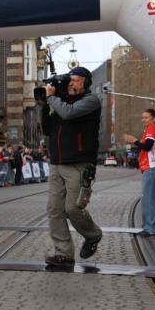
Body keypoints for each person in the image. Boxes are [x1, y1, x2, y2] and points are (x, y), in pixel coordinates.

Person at [38, 67, 103, 266]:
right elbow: (48, 128)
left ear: (86, 82)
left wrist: (52, 99)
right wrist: (43, 104)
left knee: (73, 209)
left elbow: (69, 114)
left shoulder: (90, 101)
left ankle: (93, 235)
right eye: (70, 80)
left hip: (79, 163)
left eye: (76, 80)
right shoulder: (61, 102)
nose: (72, 83)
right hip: (57, 163)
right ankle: (64, 253)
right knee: (55, 209)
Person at [124, 108, 155, 237]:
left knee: (150, 200)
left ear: (153, 118)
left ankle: (151, 228)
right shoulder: (148, 129)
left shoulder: (152, 128)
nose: (143, 120)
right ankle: (148, 227)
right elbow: (145, 148)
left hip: (152, 168)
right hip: (150, 169)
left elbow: (148, 146)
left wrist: (134, 140)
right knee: (147, 200)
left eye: (146, 117)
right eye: (142, 118)